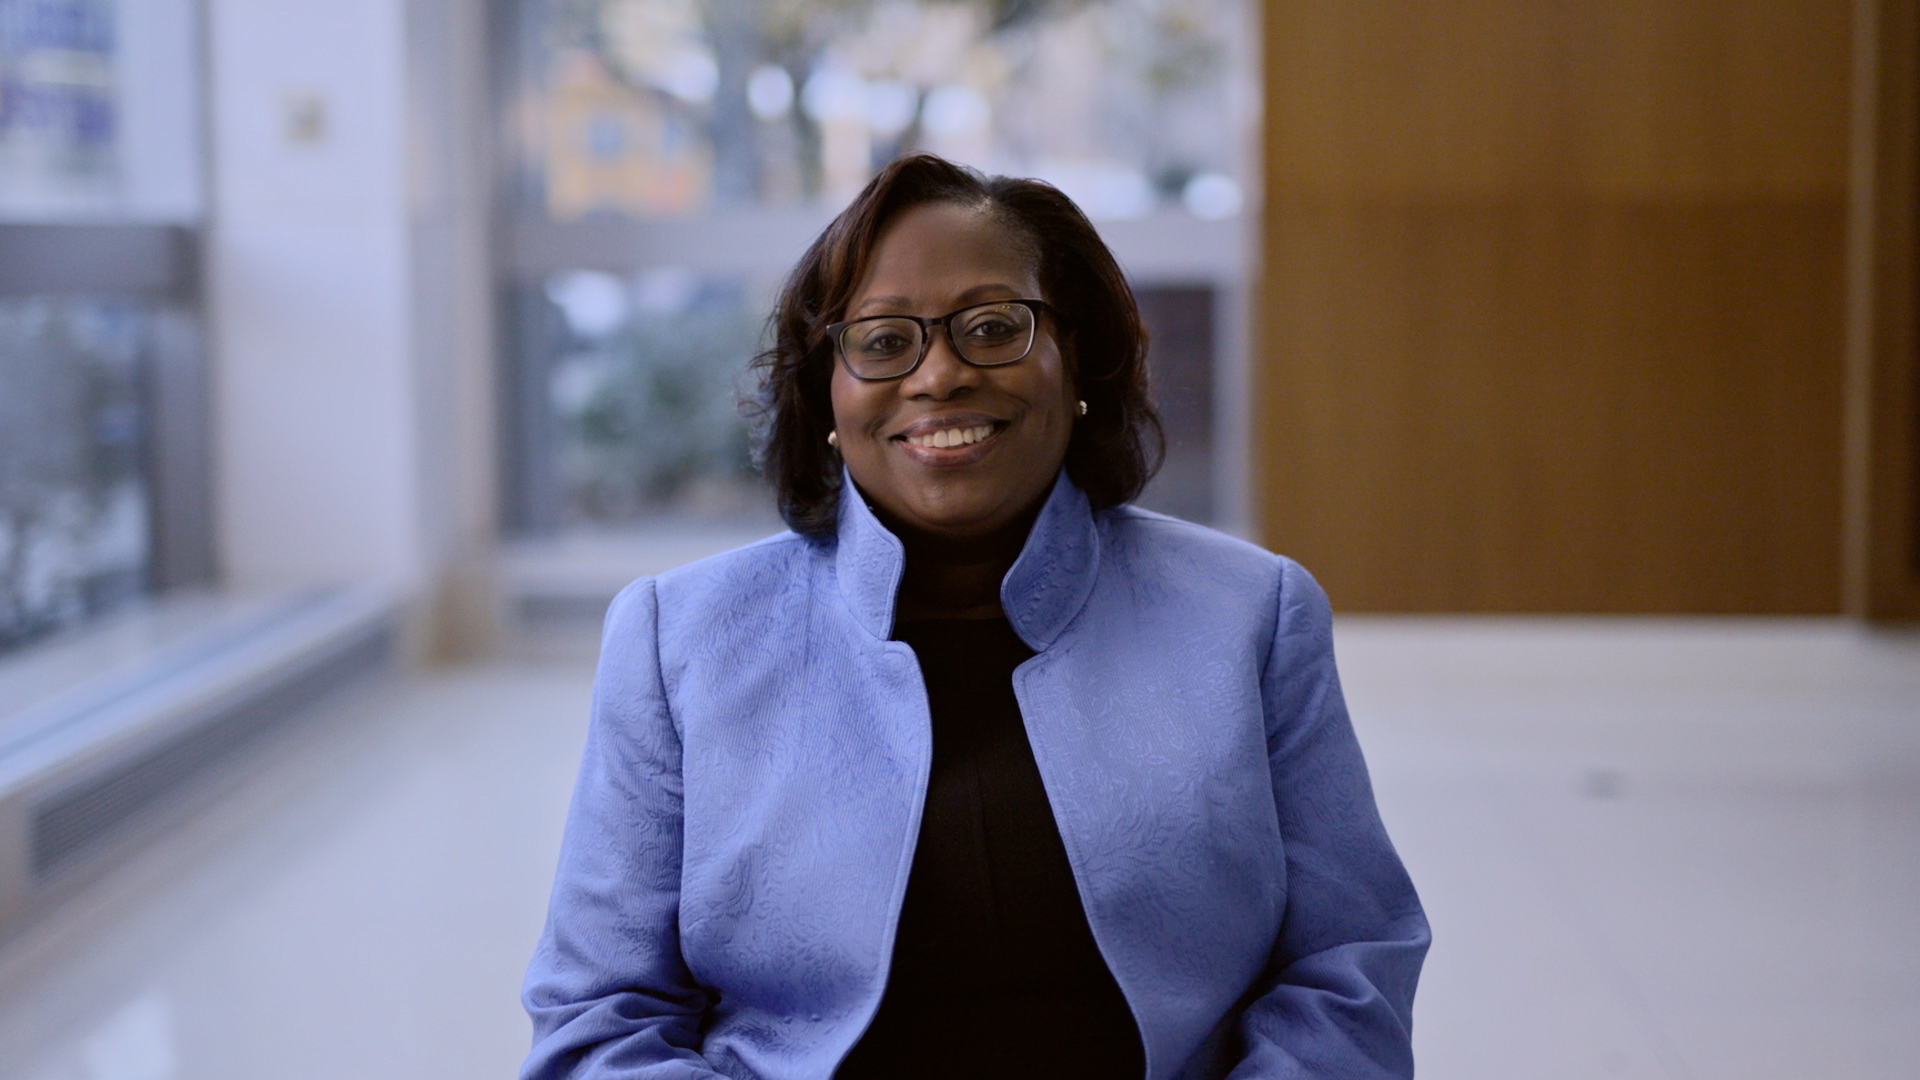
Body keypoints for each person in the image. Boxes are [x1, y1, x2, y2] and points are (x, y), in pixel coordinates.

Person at [520, 153, 1429, 1080]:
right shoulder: (679, 637)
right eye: (883, 340)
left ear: (1077, 357)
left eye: (993, 327)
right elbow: (599, 1018)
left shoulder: (1251, 615)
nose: (940, 374)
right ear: (828, 393)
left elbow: (1348, 967)